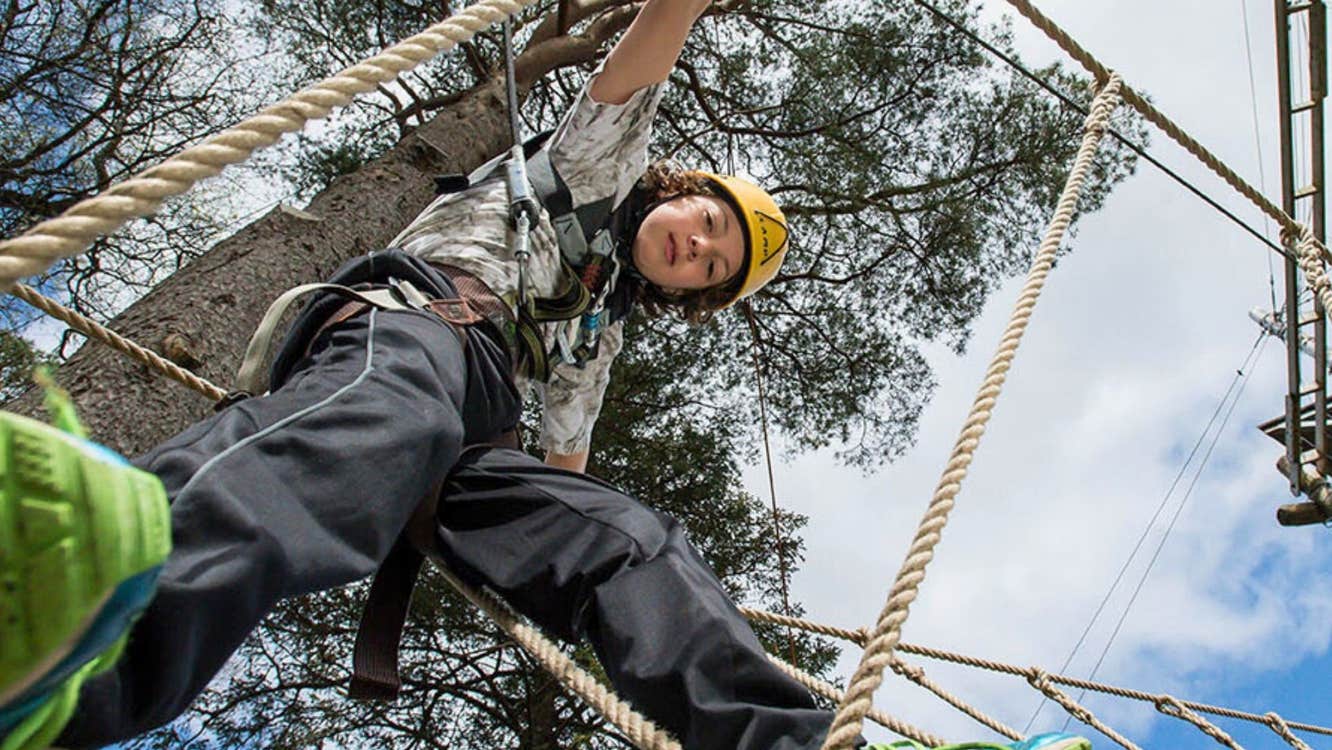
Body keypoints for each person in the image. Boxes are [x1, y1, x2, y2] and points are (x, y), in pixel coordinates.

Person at [0, 2, 1093, 749]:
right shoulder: (589, 169)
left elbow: (564, 461)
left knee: (624, 539)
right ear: (672, 190)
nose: (698, 245)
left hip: (473, 440)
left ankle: (789, 740)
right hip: (412, 326)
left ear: (693, 294)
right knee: (384, 420)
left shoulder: (598, 341)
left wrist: (562, 516)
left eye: (714, 263)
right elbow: (658, 34)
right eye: (703, 219)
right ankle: (92, 609)